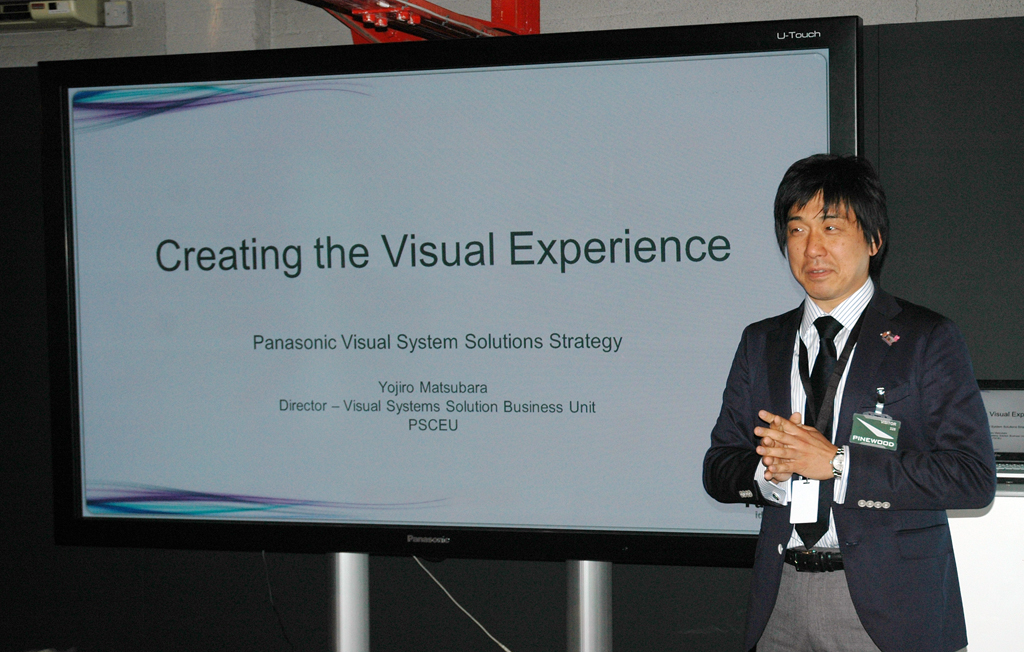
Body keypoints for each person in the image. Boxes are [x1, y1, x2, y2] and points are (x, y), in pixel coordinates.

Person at [702, 154, 996, 652]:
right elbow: (718, 467)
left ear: (874, 240)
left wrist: (838, 465)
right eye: (797, 230)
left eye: (831, 227)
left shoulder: (926, 338)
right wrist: (768, 474)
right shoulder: (762, 341)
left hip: (889, 606)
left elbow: (972, 476)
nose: (812, 247)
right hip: (780, 598)